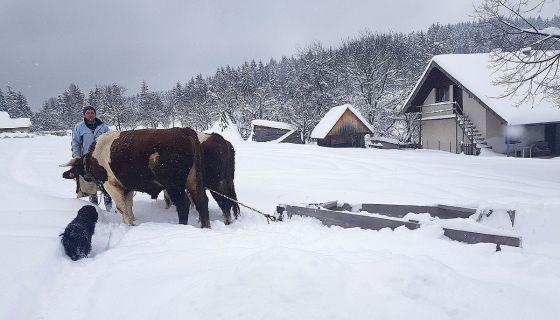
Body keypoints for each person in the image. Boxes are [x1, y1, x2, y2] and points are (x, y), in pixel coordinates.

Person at [71, 105, 113, 211]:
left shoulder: (103, 127)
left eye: (92, 112)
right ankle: (95, 207)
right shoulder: (79, 127)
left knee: (105, 182)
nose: (90, 114)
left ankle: (109, 207)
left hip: (101, 159)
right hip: (86, 160)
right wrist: (77, 156)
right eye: (88, 113)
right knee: (90, 183)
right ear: (84, 115)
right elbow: (75, 143)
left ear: (95, 114)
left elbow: (109, 141)